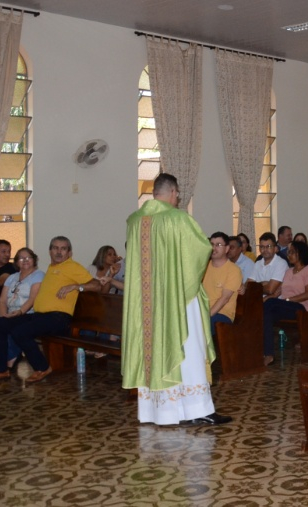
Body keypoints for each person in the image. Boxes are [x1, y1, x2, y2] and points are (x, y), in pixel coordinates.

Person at [120, 173, 230, 425]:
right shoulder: (177, 218)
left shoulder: (134, 221)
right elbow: (202, 249)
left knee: (156, 348)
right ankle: (195, 410)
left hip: (148, 304)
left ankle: (160, 411)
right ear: (172, 192)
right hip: (177, 297)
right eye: (178, 194)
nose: (178, 198)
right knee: (189, 348)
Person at [0, 236, 99, 383]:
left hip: (59, 318)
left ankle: (42, 367)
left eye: (63, 249)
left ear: (69, 252)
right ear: (50, 251)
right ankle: (0, 370)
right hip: (40, 315)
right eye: (55, 248)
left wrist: (76, 286)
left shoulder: (72, 267)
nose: (59, 252)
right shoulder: (51, 268)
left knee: (21, 332)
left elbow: (96, 285)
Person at [0, 247, 44, 368]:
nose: (25, 260)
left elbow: (32, 299)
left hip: (28, 314)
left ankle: (7, 360)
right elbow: (2, 300)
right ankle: (13, 354)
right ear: (16, 262)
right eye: (21, 258)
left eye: (28, 257)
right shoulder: (12, 277)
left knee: (2, 328)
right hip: (9, 314)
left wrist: (20, 312)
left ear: (34, 260)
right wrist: (3, 317)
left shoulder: (38, 275)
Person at [263, 240, 308, 365]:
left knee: (270, 304)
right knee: (266, 315)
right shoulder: (289, 271)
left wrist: (287, 300)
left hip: (301, 307)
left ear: (301, 253)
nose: (289, 255)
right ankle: (269, 354)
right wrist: (270, 297)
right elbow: (279, 291)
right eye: (289, 252)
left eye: (292, 252)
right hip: (286, 306)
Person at [202, 232, 242, 336]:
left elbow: (224, 299)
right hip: (203, 310)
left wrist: (205, 316)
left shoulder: (233, 270)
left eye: (218, 245)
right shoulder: (204, 266)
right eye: (211, 244)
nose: (214, 248)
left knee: (201, 325)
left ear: (227, 249)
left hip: (222, 314)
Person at [248, 232, 288, 299]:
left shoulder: (281, 263)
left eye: (268, 246)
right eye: (262, 247)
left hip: (275, 303)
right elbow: (248, 286)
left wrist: (256, 286)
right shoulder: (258, 263)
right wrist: (263, 283)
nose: (265, 250)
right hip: (258, 302)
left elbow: (270, 289)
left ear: (275, 248)